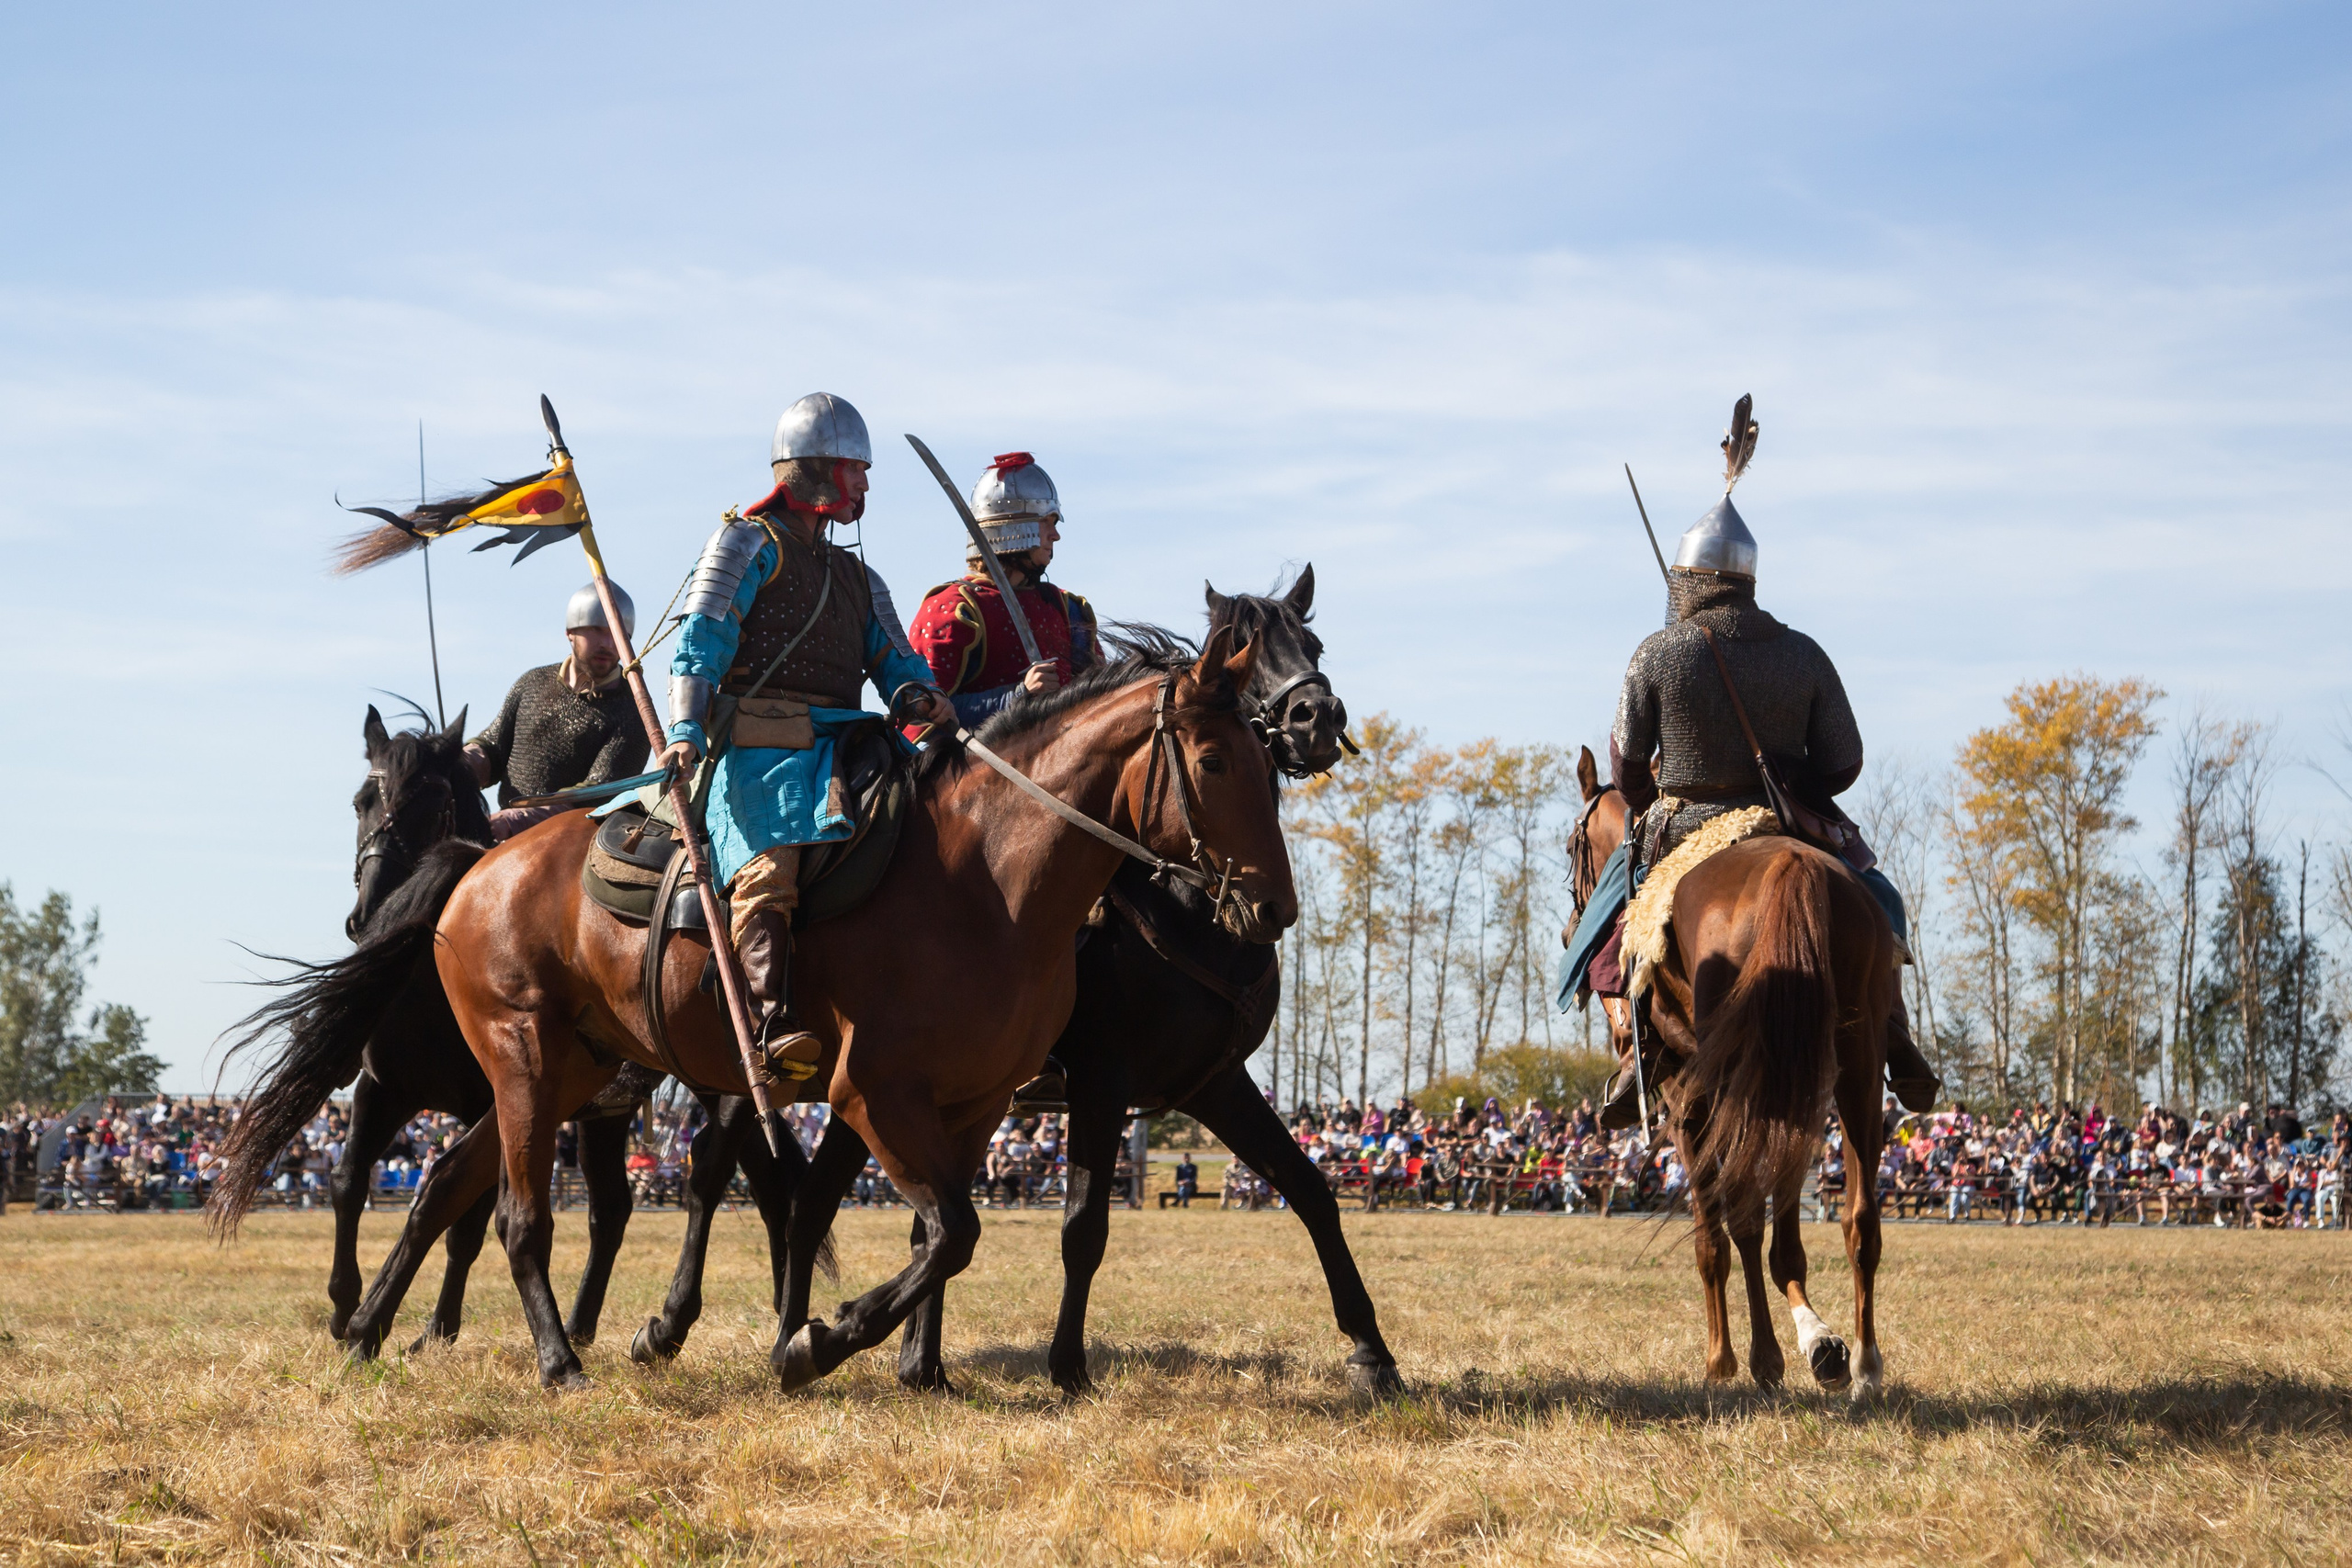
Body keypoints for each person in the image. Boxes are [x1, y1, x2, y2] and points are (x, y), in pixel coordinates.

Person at [1574, 400, 1940, 1128]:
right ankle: (1896, 1037)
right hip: (1787, 818)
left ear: (1689, 581)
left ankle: (1634, 1053)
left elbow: (1624, 767)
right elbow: (1846, 761)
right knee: (1878, 900)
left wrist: (1653, 796)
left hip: (1686, 825)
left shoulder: (1658, 650)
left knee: (1618, 932)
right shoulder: (1803, 651)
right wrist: (1791, 778)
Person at [657, 392, 956, 1085]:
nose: (866, 485)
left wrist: (918, 695)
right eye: (857, 469)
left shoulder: (860, 576)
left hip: (847, 742)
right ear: (817, 468)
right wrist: (684, 730)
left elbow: (896, 661)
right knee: (773, 862)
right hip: (761, 739)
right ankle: (769, 1021)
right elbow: (702, 639)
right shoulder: (744, 543)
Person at [907, 452, 1101, 728]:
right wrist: (1019, 696)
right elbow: (924, 715)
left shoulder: (1068, 609)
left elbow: (1100, 701)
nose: (1054, 535)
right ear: (1016, 527)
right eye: (1047, 521)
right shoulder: (954, 609)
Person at [464, 581, 650, 841]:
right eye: (597, 631)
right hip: (503, 842)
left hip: (573, 849)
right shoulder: (532, 682)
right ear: (570, 632)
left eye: (617, 634)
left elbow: (597, 793)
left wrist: (517, 818)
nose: (608, 644)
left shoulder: (635, 710)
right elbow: (494, 747)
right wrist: (463, 764)